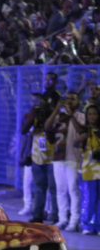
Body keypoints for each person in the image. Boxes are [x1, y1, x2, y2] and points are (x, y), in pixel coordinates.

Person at [46, 92, 85, 231]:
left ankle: (74, 220)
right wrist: (57, 110)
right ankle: (63, 219)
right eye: (67, 99)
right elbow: (47, 127)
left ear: (78, 101)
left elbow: (82, 131)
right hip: (58, 157)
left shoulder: (81, 116)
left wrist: (71, 115)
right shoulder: (59, 116)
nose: (69, 101)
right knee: (61, 190)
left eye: (72, 99)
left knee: (73, 190)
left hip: (73, 158)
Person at [22, 92, 58, 223]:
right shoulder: (34, 116)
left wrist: (44, 121)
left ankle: (55, 216)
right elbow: (24, 131)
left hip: (52, 158)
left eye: (44, 103)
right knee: (39, 188)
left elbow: (52, 138)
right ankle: (38, 215)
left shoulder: (55, 117)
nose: (41, 106)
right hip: (37, 158)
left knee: (54, 189)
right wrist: (33, 117)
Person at [76, 105, 100, 235]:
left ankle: (98, 225)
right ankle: (86, 225)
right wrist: (79, 140)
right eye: (89, 114)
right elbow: (76, 143)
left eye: (94, 114)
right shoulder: (85, 130)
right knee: (89, 198)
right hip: (88, 169)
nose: (92, 116)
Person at [19, 94, 41, 215]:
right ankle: (27, 205)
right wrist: (21, 154)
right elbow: (24, 136)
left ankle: (44, 208)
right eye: (32, 101)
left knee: (41, 183)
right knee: (27, 181)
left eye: (36, 101)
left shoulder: (44, 117)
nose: (34, 103)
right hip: (30, 154)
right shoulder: (27, 116)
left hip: (42, 154)